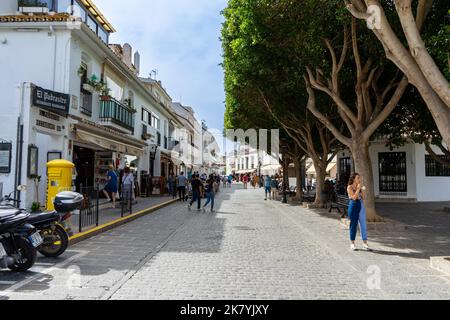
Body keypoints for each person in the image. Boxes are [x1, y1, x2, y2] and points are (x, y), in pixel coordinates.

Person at [347, 173, 370, 251]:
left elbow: (363, 198)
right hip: (353, 206)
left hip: (361, 206)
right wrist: (357, 189)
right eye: (358, 178)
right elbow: (353, 197)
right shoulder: (349, 187)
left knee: (363, 225)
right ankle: (352, 243)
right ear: (353, 179)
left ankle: (365, 243)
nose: (359, 180)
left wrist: (362, 190)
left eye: (360, 178)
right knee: (353, 225)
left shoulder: (359, 187)